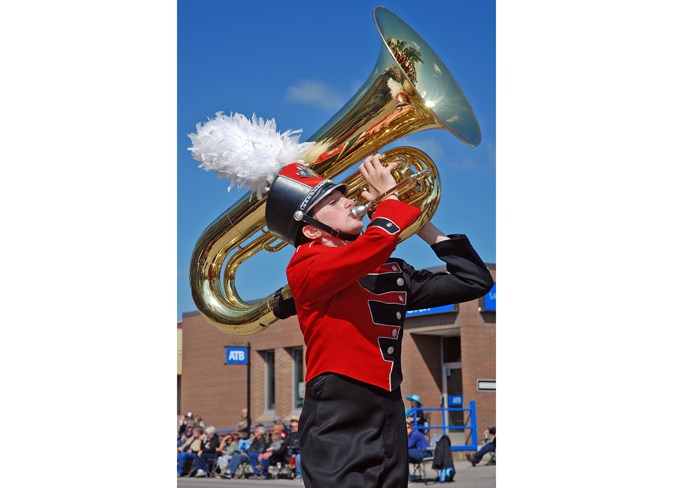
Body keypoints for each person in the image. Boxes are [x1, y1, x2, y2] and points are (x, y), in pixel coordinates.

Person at [263, 155, 494, 487]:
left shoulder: (391, 270)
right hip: (337, 408)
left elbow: (474, 281)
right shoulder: (305, 265)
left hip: (389, 405)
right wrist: (390, 204)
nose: (349, 201)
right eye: (332, 200)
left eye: (343, 194)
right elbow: (374, 244)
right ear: (311, 229)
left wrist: (420, 221)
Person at [286, 416, 302, 480]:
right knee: (291, 456)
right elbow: (285, 443)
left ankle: (299, 474)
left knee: (298, 457)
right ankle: (292, 472)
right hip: (292, 451)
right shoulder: (290, 434)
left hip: (300, 452)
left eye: (296, 426)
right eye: (292, 426)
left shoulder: (302, 433)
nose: (294, 428)